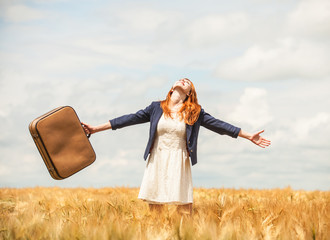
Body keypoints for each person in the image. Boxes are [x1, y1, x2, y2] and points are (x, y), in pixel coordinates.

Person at [82, 78, 271, 215]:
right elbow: (128, 119)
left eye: (188, 82)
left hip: (179, 159)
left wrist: (248, 136)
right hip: (158, 158)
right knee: (155, 207)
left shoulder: (194, 111)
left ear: (189, 93)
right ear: (172, 88)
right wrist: (95, 129)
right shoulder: (156, 107)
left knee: (183, 209)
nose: (183, 81)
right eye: (181, 79)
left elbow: (219, 125)